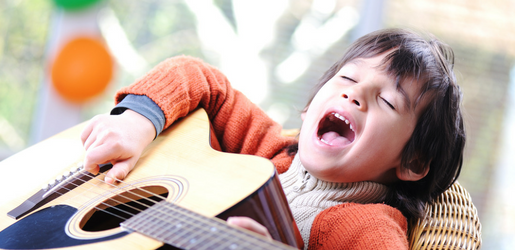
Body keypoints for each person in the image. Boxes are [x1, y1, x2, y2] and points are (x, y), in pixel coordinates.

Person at [80, 28, 465, 249]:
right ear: (309, 106)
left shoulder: (371, 228)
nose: (353, 94)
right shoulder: (269, 150)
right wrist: (135, 122)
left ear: (412, 162)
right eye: (347, 78)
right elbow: (194, 74)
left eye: (385, 100)